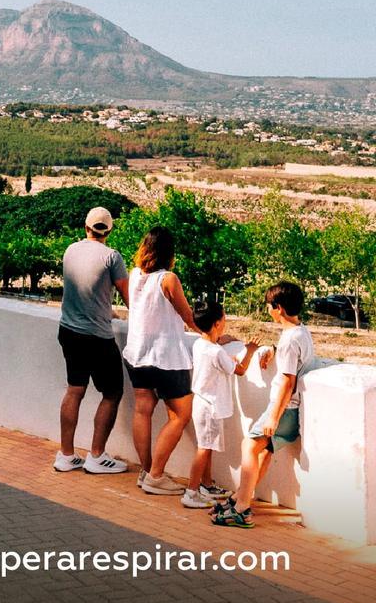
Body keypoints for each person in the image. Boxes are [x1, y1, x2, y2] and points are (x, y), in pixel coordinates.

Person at [213, 281, 315, 529]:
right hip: (292, 410)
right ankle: (241, 498)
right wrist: (273, 349)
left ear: (278, 308)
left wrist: (273, 417)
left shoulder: (290, 340)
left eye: (270, 306)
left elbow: (288, 380)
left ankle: (242, 509)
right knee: (264, 451)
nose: (268, 309)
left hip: (284, 408)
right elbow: (294, 358)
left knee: (249, 445)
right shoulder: (300, 332)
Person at [122, 225, 203, 495]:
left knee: (142, 410)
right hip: (166, 358)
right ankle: (156, 476)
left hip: (136, 354)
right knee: (181, 414)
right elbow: (188, 317)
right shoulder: (168, 279)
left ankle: (147, 472)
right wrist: (213, 336)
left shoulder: (135, 275)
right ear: (170, 252)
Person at [54, 206, 131, 475]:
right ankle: (96, 456)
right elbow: (127, 294)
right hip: (97, 336)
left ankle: (66, 455)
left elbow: (84, 289)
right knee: (112, 393)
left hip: (69, 330)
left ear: (85, 226)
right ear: (109, 230)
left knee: (74, 390)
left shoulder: (70, 250)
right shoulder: (112, 257)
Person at [185, 303, 260, 509]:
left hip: (201, 402)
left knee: (206, 447)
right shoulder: (216, 352)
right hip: (211, 407)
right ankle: (191, 492)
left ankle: (206, 485)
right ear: (217, 323)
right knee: (204, 449)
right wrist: (251, 351)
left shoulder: (201, 345)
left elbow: (219, 362)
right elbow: (241, 370)